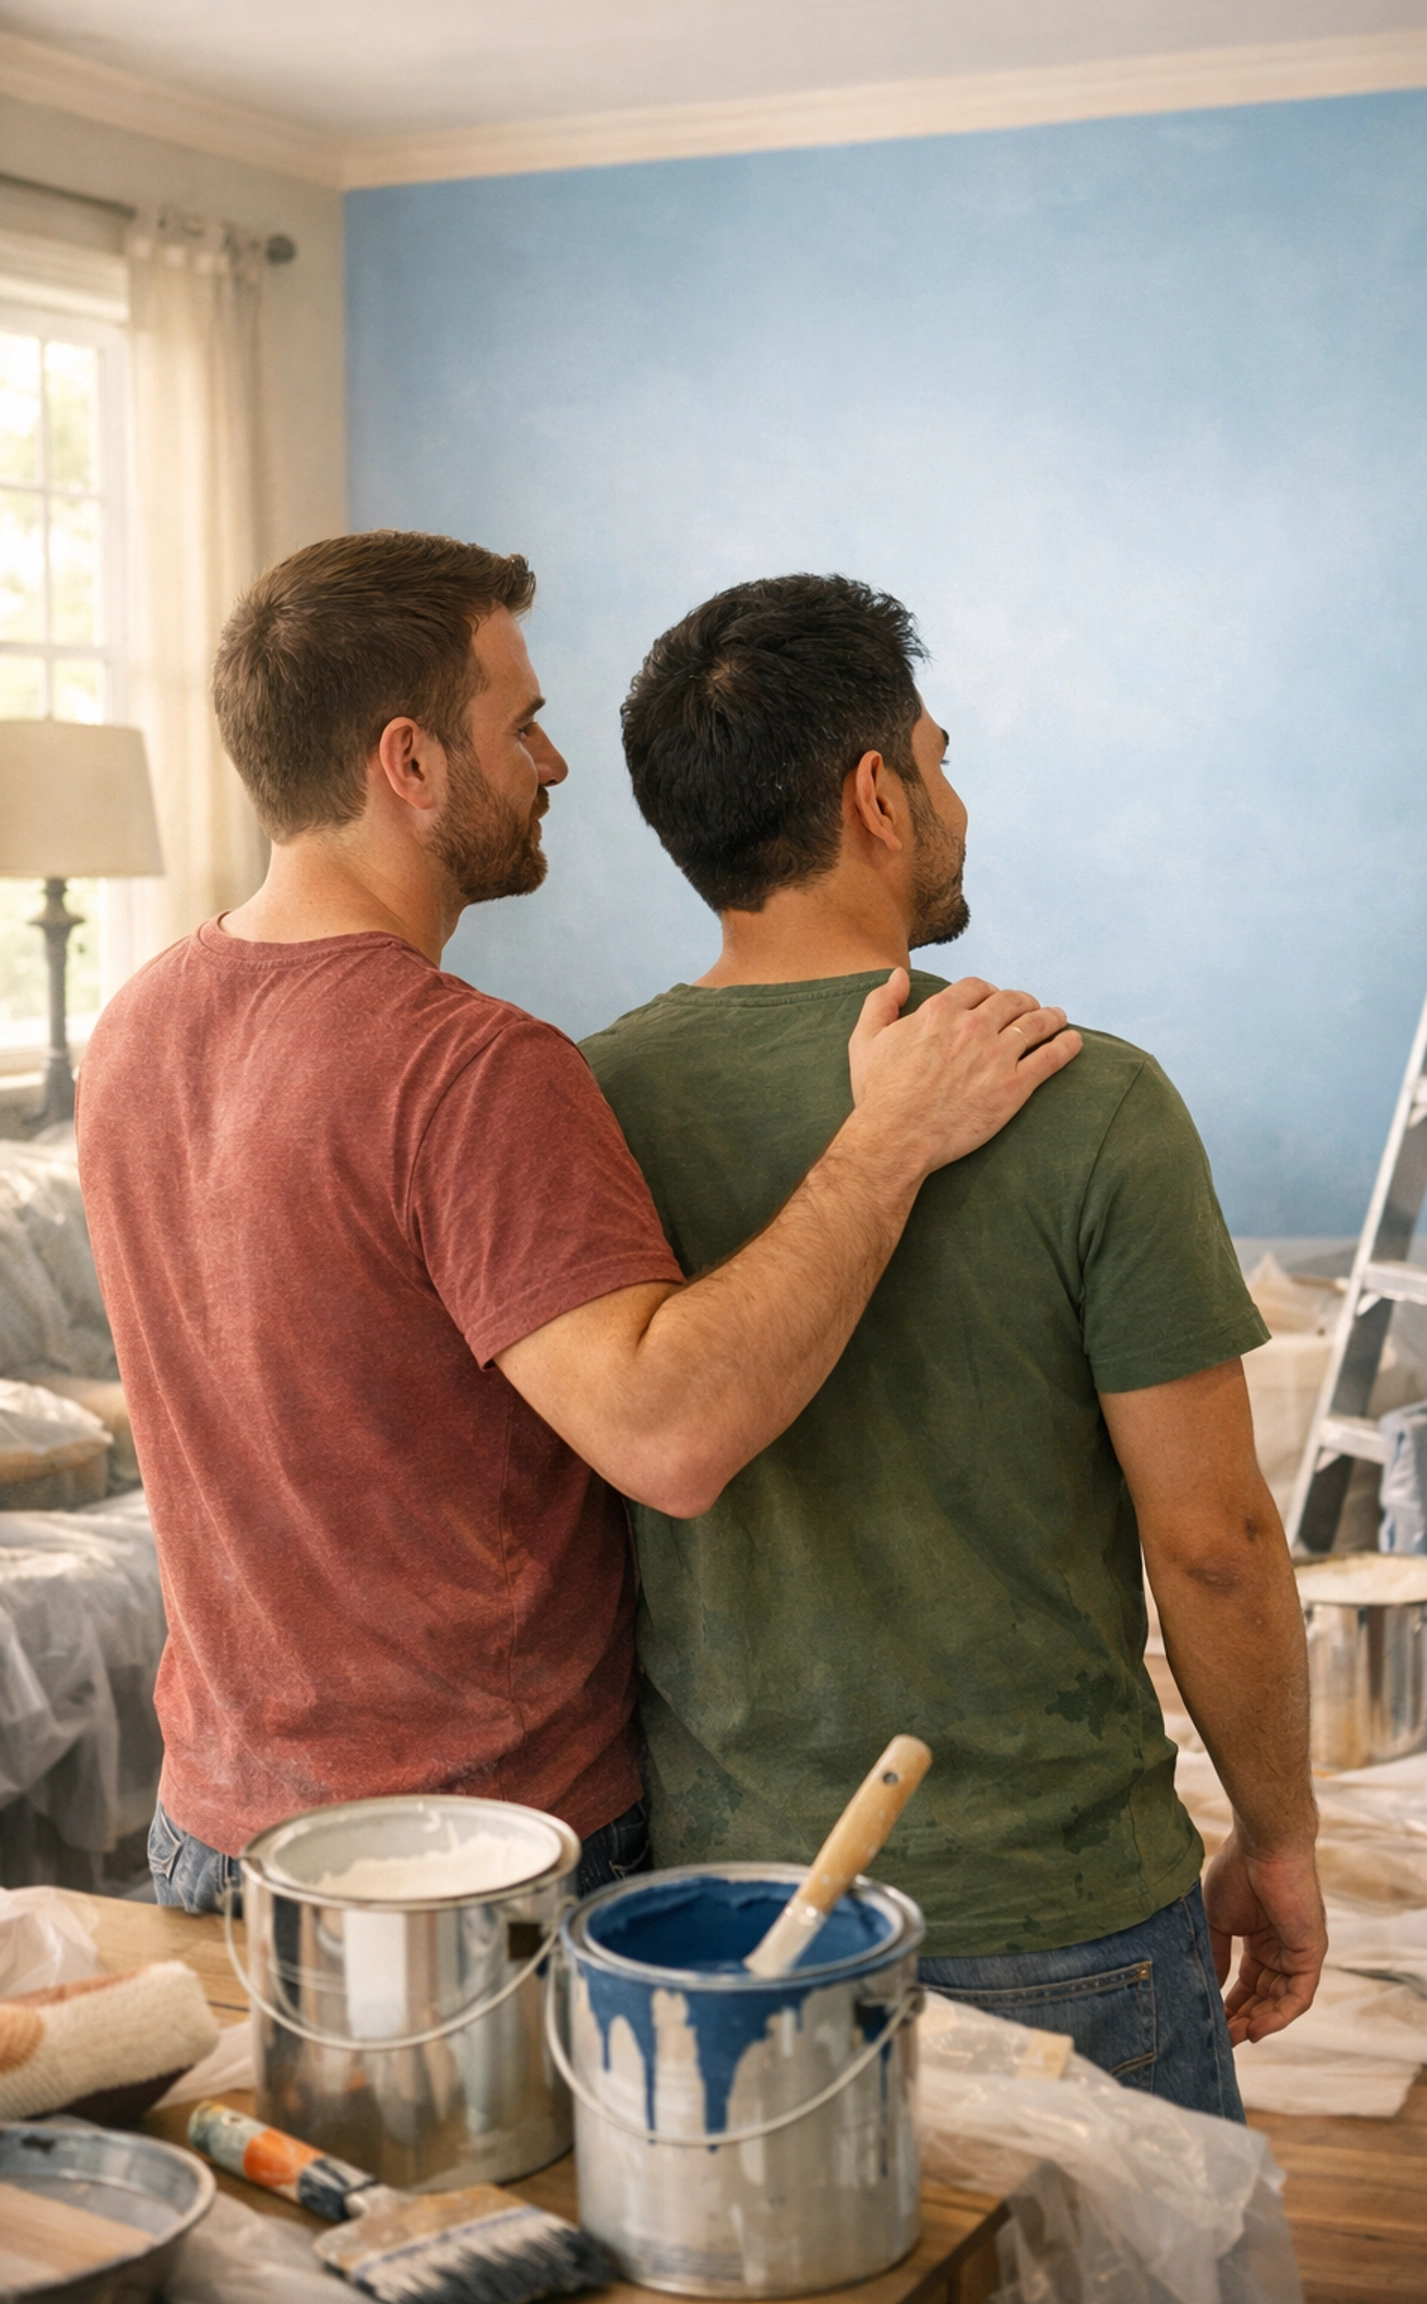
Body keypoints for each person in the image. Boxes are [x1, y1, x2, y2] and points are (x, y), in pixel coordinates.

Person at [74, 534, 1078, 1914]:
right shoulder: (467, 1065)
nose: (553, 765)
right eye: (524, 726)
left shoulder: (134, 1029)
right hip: (471, 1856)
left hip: (218, 1830)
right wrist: (887, 1143)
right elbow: (668, 1435)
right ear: (410, 764)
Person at [582, 573, 1326, 2120]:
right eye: (939, 757)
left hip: (731, 1930)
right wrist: (1281, 1836)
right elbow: (1215, 1545)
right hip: (1057, 1915)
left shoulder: (578, 1109)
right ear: (876, 794)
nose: (954, 799)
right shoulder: (1084, 1092)